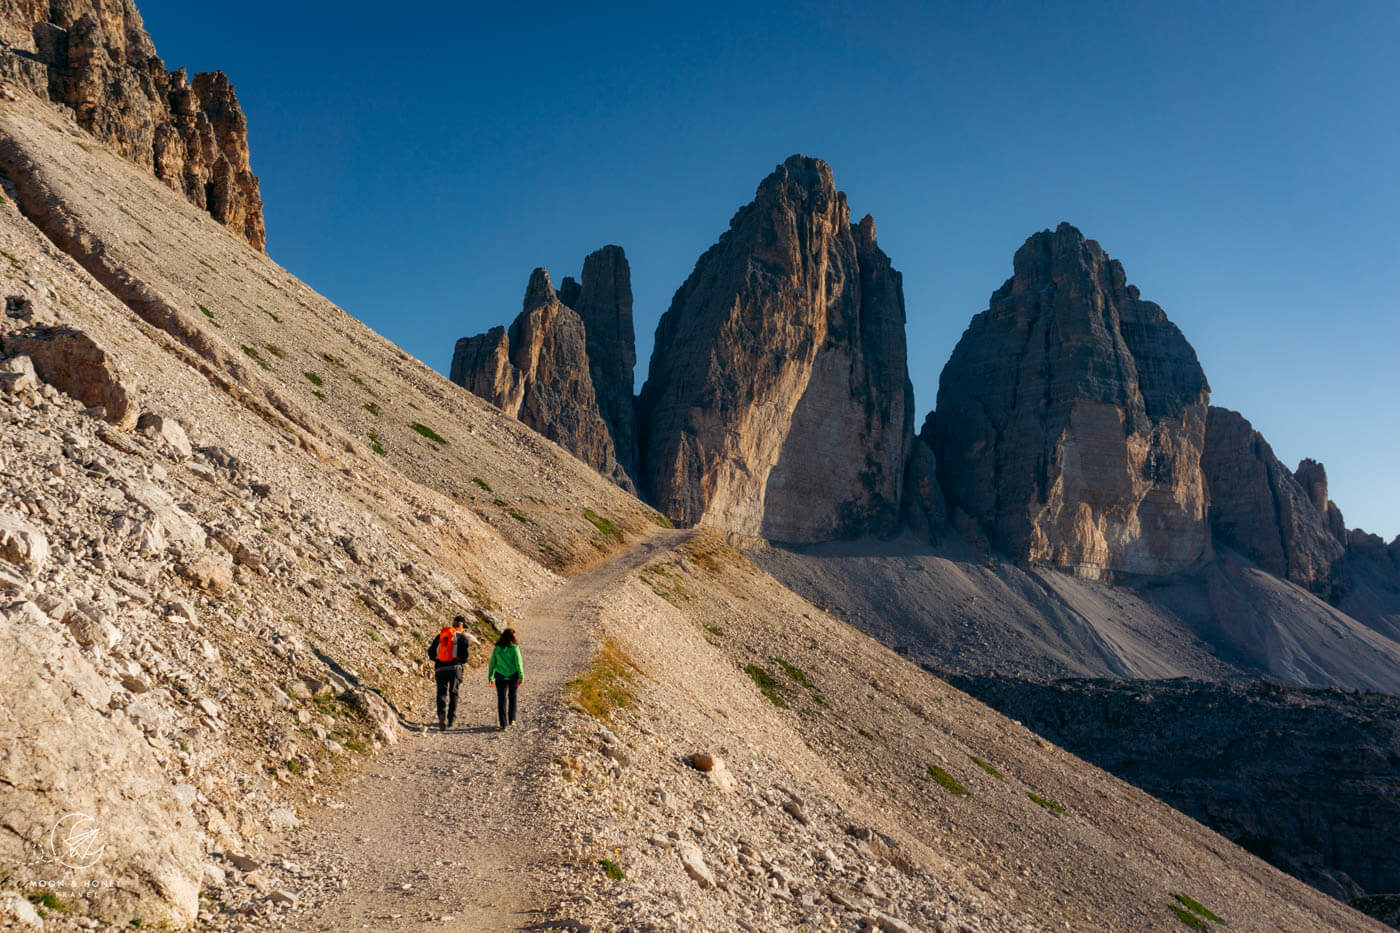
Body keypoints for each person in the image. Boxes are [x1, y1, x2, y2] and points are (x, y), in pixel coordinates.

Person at [427, 615, 471, 731]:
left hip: (440, 668)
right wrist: (459, 660)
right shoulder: (462, 638)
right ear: (461, 626)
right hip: (455, 668)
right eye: (464, 627)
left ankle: (442, 716)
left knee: (441, 693)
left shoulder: (441, 636)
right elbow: (465, 657)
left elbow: (431, 652)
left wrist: (438, 660)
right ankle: (451, 719)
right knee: (453, 693)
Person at [487, 628, 524, 731]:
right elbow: (519, 663)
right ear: (512, 637)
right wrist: (521, 676)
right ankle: (512, 720)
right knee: (513, 698)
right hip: (513, 676)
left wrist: (491, 677)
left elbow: (492, 664)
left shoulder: (497, 648)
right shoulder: (515, 648)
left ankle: (503, 724)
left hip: (500, 676)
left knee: (501, 699)